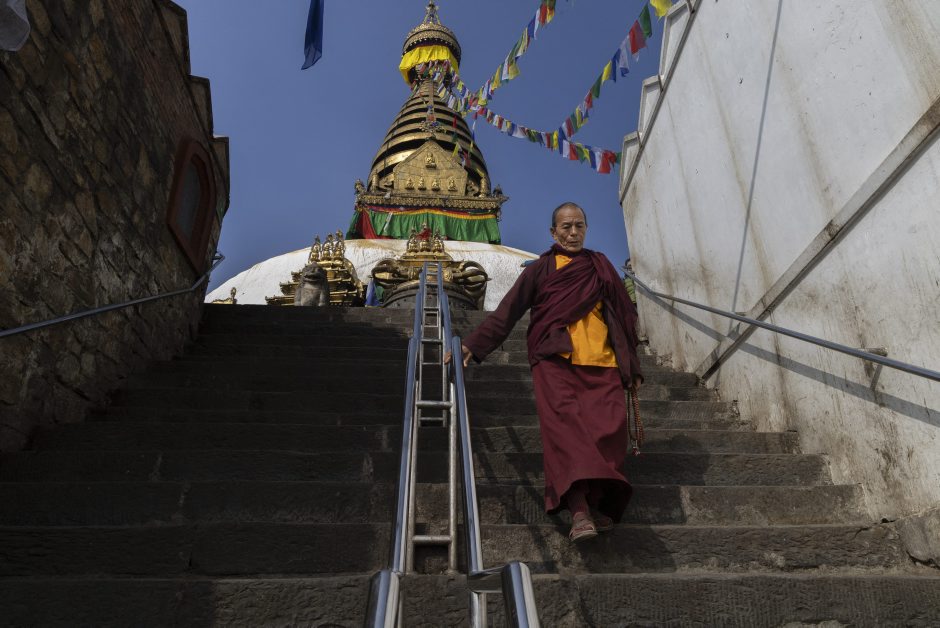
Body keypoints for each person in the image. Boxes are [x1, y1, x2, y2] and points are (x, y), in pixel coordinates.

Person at [448, 202, 643, 543]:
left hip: (604, 362)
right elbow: (507, 312)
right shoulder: (540, 269)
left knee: (608, 435)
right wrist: (472, 345)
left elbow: (624, 315)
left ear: (586, 229)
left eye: (579, 226)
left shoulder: (600, 266)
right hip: (555, 362)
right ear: (553, 232)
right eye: (566, 227)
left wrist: (632, 365)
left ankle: (596, 501)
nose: (573, 232)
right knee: (567, 436)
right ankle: (578, 509)